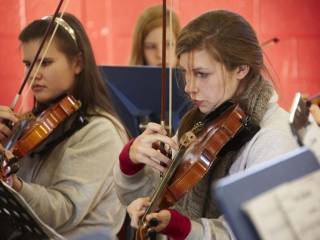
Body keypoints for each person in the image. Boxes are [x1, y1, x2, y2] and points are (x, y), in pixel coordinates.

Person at [113, 10, 299, 239]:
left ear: (241, 68)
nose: (189, 87)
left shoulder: (273, 140)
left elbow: (250, 233)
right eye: (185, 73)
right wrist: (131, 162)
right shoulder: (201, 121)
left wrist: (183, 228)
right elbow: (157, 200)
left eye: (201, 74)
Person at [0, 13, 127, 239]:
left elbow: (63, 212)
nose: (33, 74)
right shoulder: (29, 123)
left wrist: (15, 184)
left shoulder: (100, 132)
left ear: (77, 63)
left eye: (45, 62)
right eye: (28, 64)